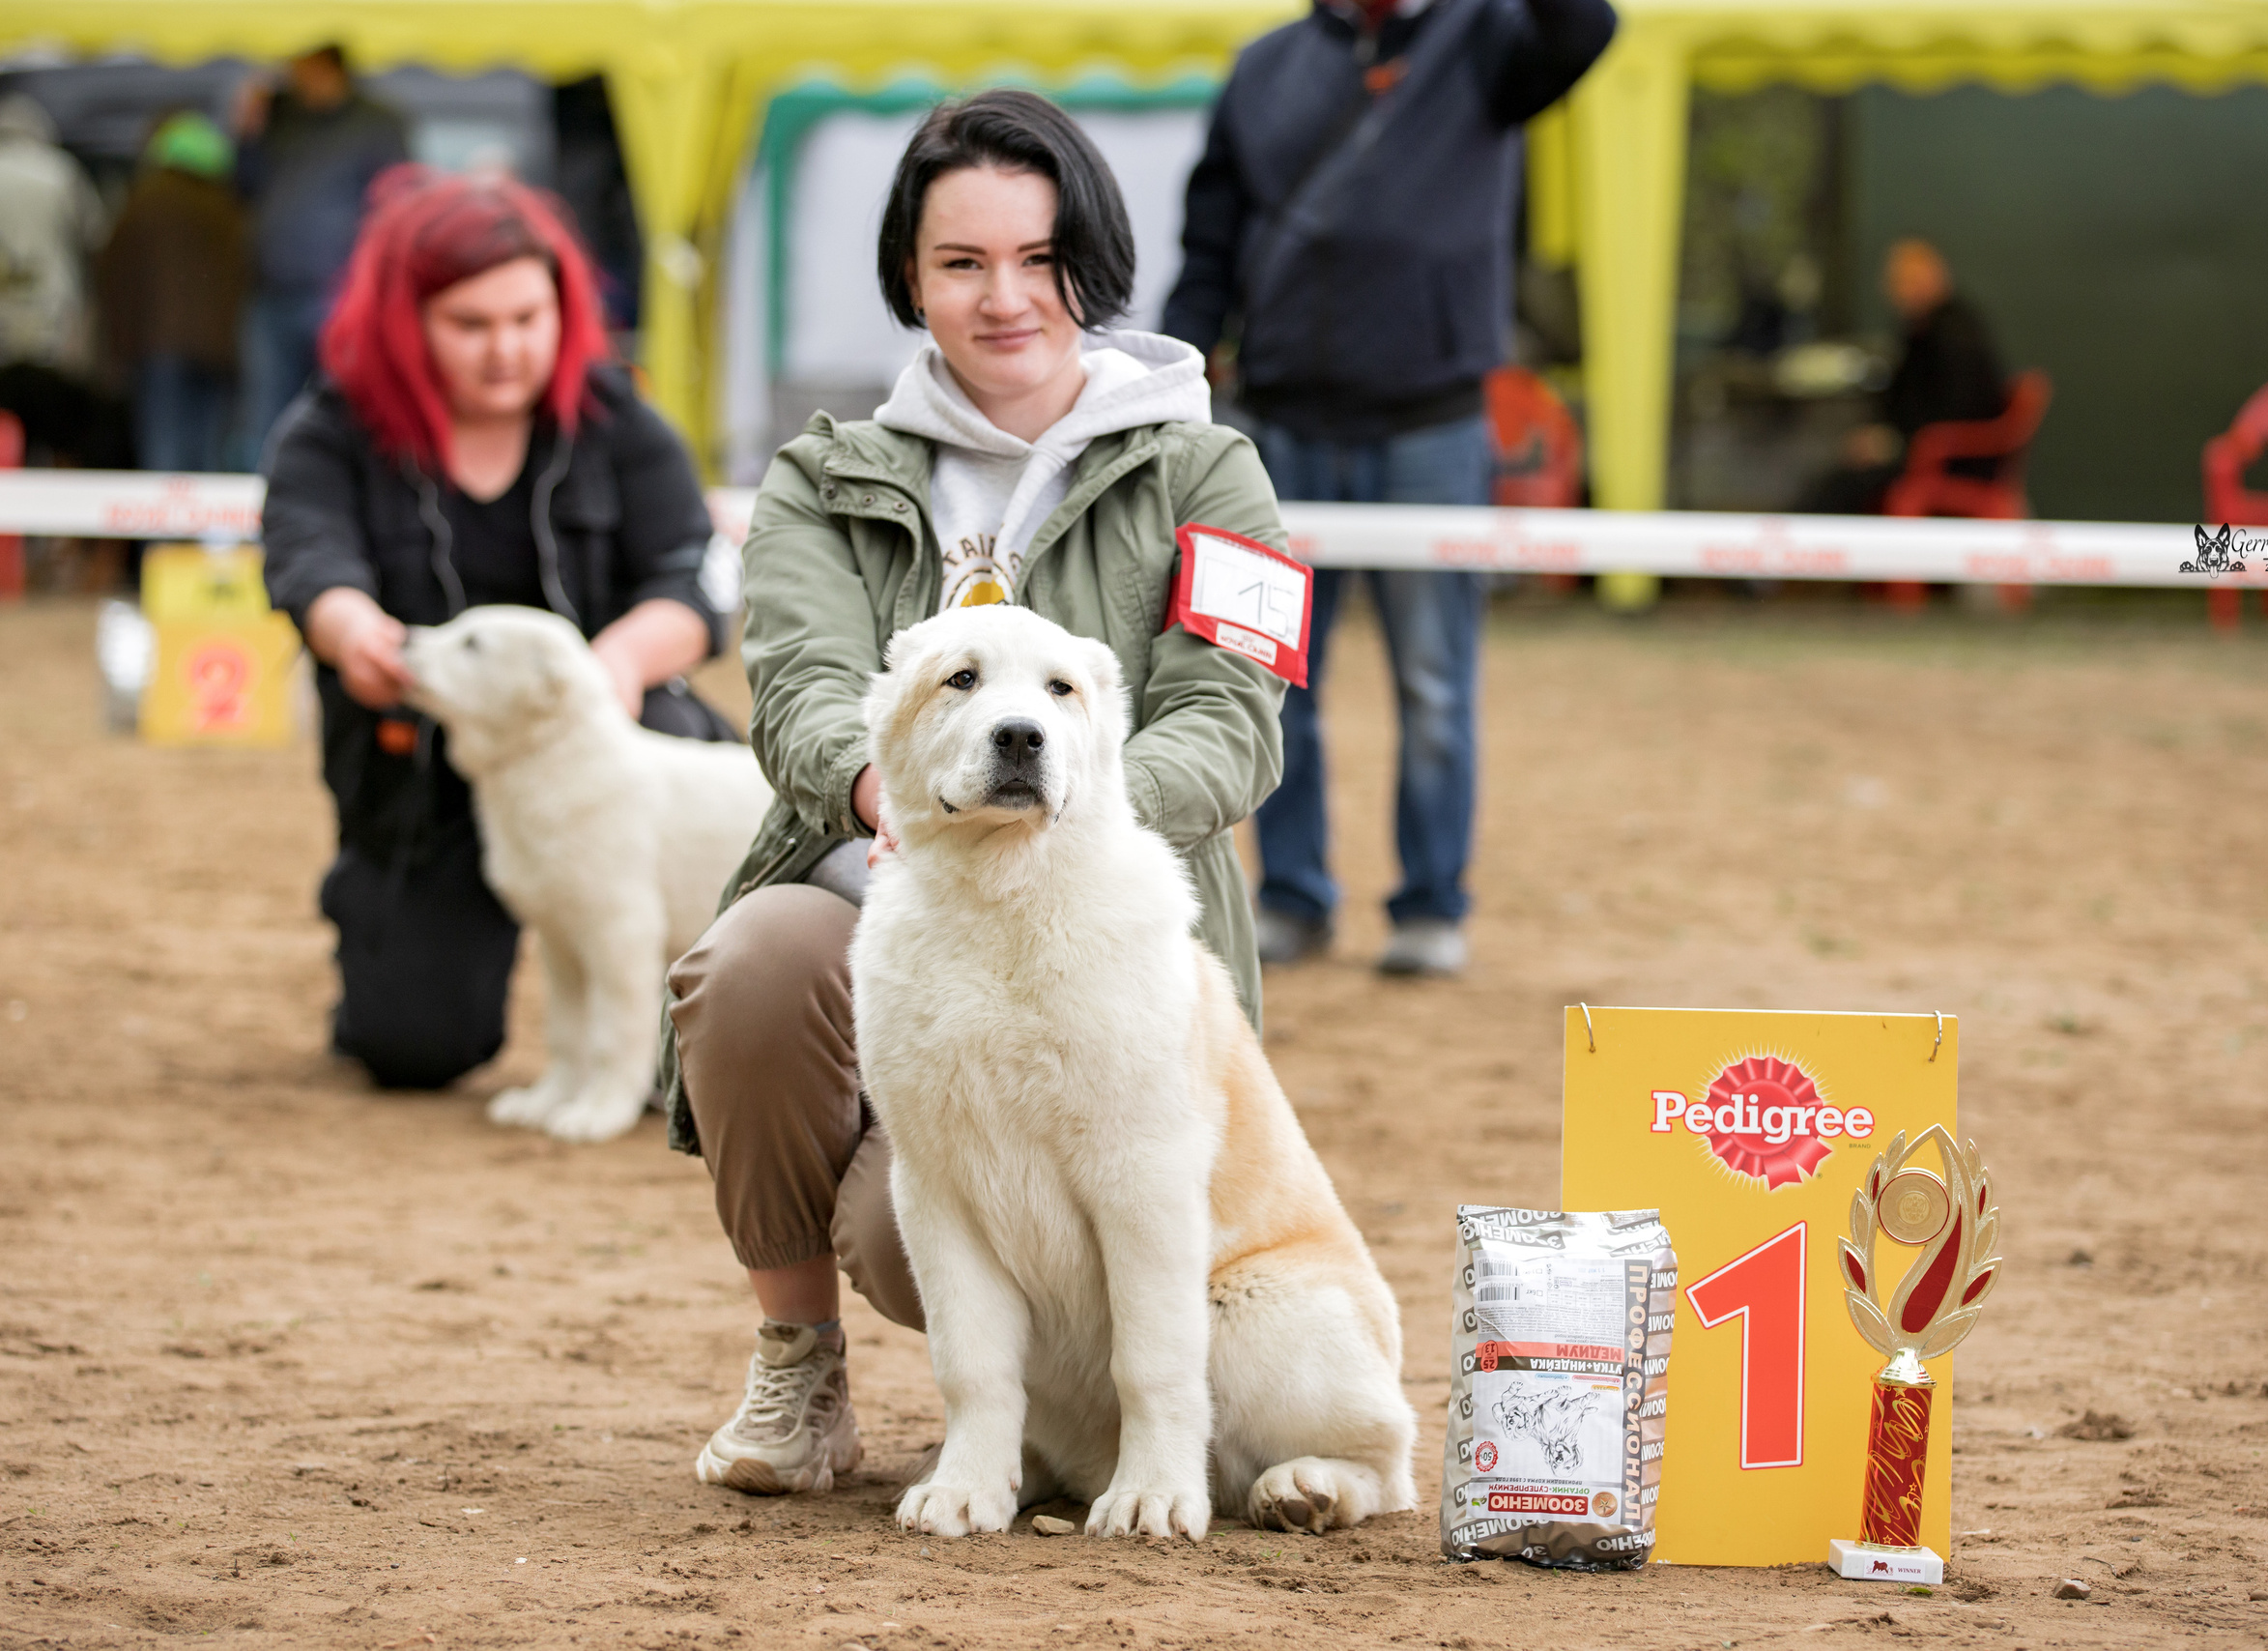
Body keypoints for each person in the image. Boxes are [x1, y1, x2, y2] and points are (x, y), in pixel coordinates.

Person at [653, 90, 1287, 1497]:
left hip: (1105, 932)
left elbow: (1233, 722)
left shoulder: (1210, 471)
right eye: (960, 262)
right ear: (907, 277)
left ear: (1096, 263)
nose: (1006, 298)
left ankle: (1082, 1406)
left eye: (1040, 257)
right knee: (749, 965)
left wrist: (1076, 828)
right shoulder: (825, 480)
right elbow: (803, 690)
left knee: (905, 1240)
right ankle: (797, 1375)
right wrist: (895, 803)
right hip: (883, 893)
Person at [1161, 0, 1618, 980]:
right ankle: (1290, 895)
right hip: (1274, 427)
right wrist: (1171, 379)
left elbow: (1587, 30)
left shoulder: (1492, 39)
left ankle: (1430, 905)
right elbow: (1208, 245)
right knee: (1266, 681)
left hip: (1434, 425)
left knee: (1435, 685)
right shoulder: (1263, 69)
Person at [260, 167, 733, 1093]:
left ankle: (670, 1033)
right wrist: (350, 629)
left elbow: (695, 576)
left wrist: (625, 659)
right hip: (420, 782)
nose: (505, 350)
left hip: (618, 749)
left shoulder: (621, 422)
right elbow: (309, 563)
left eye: (527, 318)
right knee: (411, 1046)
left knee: (682, 1040)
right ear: (405, 322)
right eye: (469, 325)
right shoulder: (330, 431)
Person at [234, 45, 410, 466]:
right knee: (264, 419)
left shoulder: (377, 123)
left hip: (339, 295)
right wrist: (247, 133)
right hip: (272, 291)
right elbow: (243, 188)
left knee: (341, 414)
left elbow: (398, 204)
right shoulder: (279, 116)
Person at [1797, 238, 2010, 515]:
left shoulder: (1953, 335)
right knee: (1830, 479)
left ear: (1936, 277)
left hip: (1951, 460)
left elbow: (1958, 408)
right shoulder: (1921, 330)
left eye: (1909, 279)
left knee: (1841, 488)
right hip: (1918, 448)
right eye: (1895, 281)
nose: (1899, 290)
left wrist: (1896, 443)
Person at [99, 111, 251, 472]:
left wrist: (117, 347)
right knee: (209, 449)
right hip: (219, 349)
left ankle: (165, 528)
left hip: (158, 345)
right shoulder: (228, 204)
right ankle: (202, 527)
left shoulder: (145, 198)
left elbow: (112, 273)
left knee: (163, 447)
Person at [0, 93, 104, 377]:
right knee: (50, 394)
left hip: (4, 300)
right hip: (54, 301)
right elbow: (95, 236)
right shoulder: (62, 171)